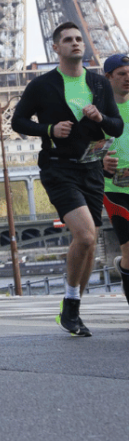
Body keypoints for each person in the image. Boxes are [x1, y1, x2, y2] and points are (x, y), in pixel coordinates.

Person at [11, 22, 123, 336]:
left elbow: (116, 127)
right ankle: (71, 304)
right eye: (67, 40)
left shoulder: (99, 84)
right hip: (58, 167)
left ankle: (72, 308)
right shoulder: (42, 85)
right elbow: (17, 120)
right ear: (56, 48)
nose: (75, 43)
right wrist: (49, 130)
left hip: (92, 167)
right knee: (86, 236)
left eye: (78, 39)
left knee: (88, 245)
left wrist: (100, 118)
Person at [100, 54, 129, 308]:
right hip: (115, 189)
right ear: (108, 77)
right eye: (121, 73)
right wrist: (101, 162)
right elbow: (87, 150)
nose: (128, 77)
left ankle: (123, 267)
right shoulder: (99, 111)